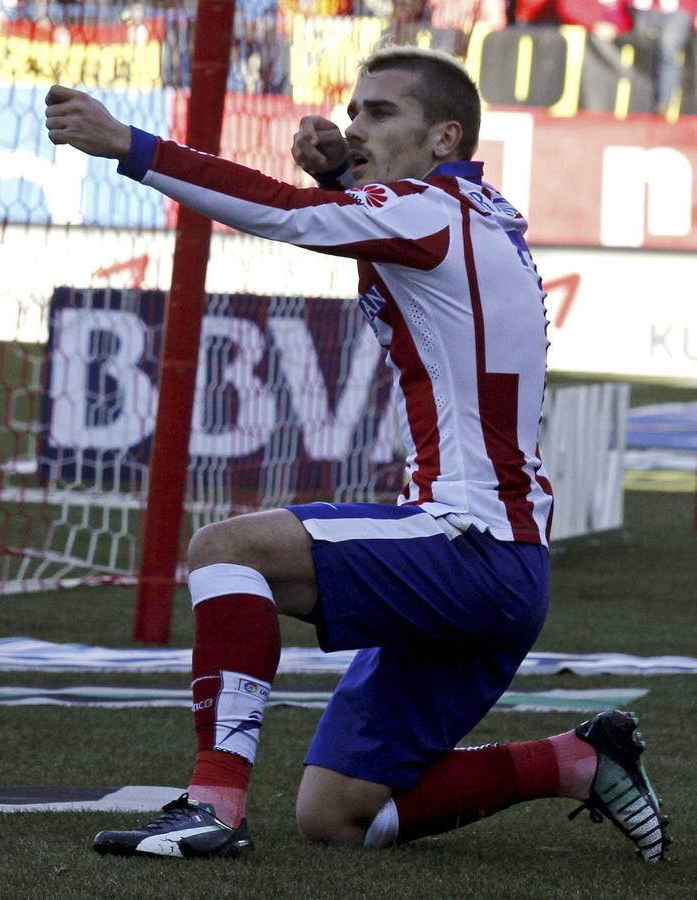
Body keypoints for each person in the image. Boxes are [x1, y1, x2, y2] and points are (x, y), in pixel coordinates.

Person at [44, 44, 670, 862]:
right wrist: (344, 174)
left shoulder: (429, 213)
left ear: (444, 137)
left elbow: (285, 214)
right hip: (499, 565)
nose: (355, 125)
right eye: (353, 111)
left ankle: (211, 805)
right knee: (336, 817)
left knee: (224, 551)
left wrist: (130, 144)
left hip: (469, 544)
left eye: (380, 113)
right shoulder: (467, 210)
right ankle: (576, 760)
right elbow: (363, 222)